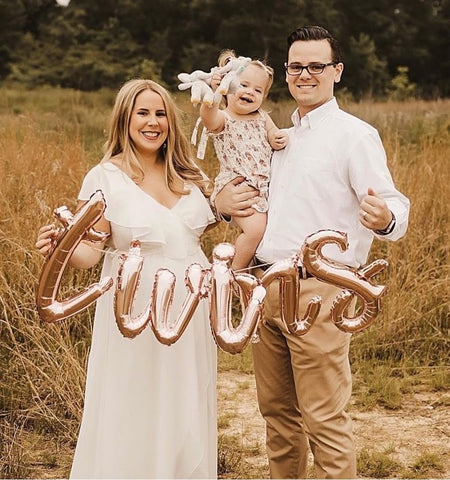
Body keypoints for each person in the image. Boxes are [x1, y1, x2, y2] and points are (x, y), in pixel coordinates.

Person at [214, 26, 410, 479]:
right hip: (265, 286)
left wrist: (385, 219)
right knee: (278, 418)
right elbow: (248, 193)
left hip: (321, 292)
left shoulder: (354, 136)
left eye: (316, 66)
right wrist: (221, 205)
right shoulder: (276, 137)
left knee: (324, 420)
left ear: (336, 71)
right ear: (285, 73)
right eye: (296, 66)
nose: (305, 74)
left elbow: (395, 205)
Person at [36, 79, 218, 479]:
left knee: (186, 402)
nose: (153, 122)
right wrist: (60, 249)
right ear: (125, 119)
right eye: (143, 113)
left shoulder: (187, 176)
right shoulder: (105, 177)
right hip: (133, 309)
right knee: (135, 401)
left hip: (190, 308)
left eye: (160, 114)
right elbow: (89, 254)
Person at [199, 50, 288, 271]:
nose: (250, 92)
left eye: (258, 90)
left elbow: (274, 135)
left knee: (264, 232)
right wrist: (212, 94)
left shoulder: (262, 117)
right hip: (238, 186)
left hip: (261, 188)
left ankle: (247, 268)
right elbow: (208, 118)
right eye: (244, 85)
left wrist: (278, 137)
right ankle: (234, 271)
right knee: (256, 229)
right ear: (227, 88)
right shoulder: (225, 119)